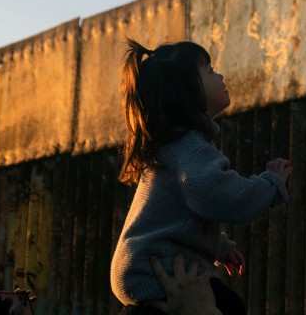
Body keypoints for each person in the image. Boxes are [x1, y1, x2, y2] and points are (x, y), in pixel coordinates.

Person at [109, 39, 293, 315]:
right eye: (209, 70)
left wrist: (219, 247)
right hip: (157, 272)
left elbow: (176, 220)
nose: (219, 75)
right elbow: (223, 196)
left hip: (144, 268)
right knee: (231, 307)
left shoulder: (173, 149)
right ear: (187, 92)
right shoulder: (190, 147)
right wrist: (270, 184)